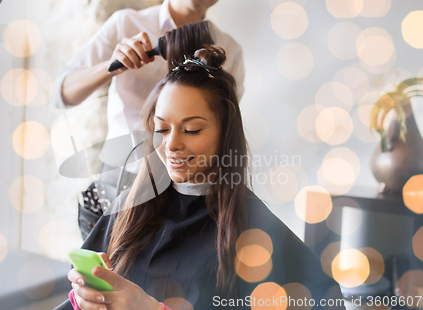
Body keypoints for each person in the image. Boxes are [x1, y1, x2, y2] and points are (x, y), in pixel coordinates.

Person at [55, 46, 343, 310]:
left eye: (191, 130)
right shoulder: (128, 209)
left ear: (225, 135)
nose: (171, 145)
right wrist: (86, 299)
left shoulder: (255, 230)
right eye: (162, 129)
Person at [53, 0, 245, 239]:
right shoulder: (128, 24)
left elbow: (224, 131)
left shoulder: (229, 50)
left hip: (181, 194)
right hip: (120, 179)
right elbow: (61, 93)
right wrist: (111, 66)